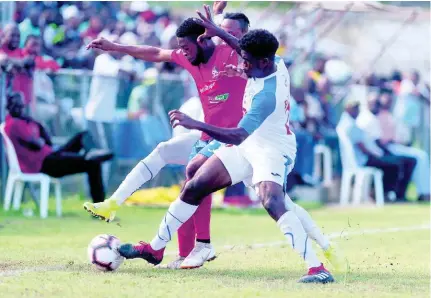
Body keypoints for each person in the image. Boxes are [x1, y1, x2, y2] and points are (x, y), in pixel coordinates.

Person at [84, 4, 342, 273]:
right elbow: (232, 47)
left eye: (246, 61)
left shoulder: (267, 93)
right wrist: (216, 26)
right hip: (240, 143)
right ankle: (157, 246)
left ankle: (317, 266)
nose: (240, 63)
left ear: (262, 60)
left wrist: (194, 123)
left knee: (275, 201)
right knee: (194, 180)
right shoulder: (263, 59)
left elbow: (240, 134)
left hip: (268, 148)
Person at [84, 13, 247, 270]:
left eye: (186, 47)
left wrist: (217, 27)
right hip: (209, 137)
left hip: (239, 140)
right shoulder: (191, 55)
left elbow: (248, 48)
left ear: (204, 41)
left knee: (197, 179)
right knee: (174, 165)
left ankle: (199, 245)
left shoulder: (235, 54)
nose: (182, 52)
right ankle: (113, 205)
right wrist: (117, 47)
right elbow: (154, 52)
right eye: (180, 47)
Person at [4, 92, 113, 204]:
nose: (20, 109)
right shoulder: (14, 124)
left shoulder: (25, 121)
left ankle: (92, 152)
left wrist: (37, 124)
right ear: (8, 107)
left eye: (21, 106)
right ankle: (99, 208)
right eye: (16, 106)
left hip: (52, 154)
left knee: (83, 136)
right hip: (45, 164)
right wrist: (37, 135)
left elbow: (48, 142)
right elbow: (36, 144)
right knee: (92, 163)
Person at [337, 97, 412, 201]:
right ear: (348, 109)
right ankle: (385, 194)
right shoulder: (349, 125)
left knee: (396, 162)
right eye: (355, 108)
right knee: (395, 164)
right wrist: (377, 155)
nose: (357, 111)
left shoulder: (349, 123)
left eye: (358, 108)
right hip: (363, 160)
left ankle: (385, 194)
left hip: (364, 158)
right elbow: (362, 148)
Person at [356, 94, 416, 201]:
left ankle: (396, 194)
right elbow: (376, 143)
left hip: (378, 153)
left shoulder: (372, 118)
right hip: (371, 157)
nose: (377, 107)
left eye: (378, 104)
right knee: (398, 163)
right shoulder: (366, 119)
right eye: (374, 104)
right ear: (368, 104)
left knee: (407, 161)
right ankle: (389, 194)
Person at [377, 93, 430, 202]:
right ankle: (424, 192)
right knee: (420, 157)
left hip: (395, 145)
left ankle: (425, 191)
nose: (388, 103)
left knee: (422, 156)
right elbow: (381, 139)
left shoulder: (390, 115)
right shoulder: (377, 116)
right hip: (388, 147)